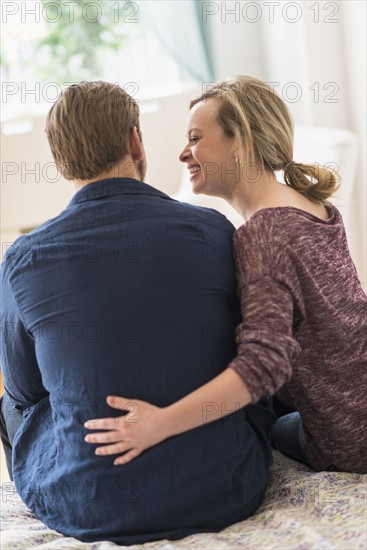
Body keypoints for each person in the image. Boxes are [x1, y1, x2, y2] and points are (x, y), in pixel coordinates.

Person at [0, 80, 274, 545]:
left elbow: (26, 393)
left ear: (60, 160)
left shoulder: (22, 258)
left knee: (15, 400)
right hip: (224, 488)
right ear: (134, 140)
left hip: (86, 502)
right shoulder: (213, 231)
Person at [85, 76, 367, 474]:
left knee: (253, 424)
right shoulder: (313, 207)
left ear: (243, 142)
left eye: (196, 138)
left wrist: (160, 424)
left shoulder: (264, 234)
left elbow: (264, 365)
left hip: (352, 439)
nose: (184, 154)